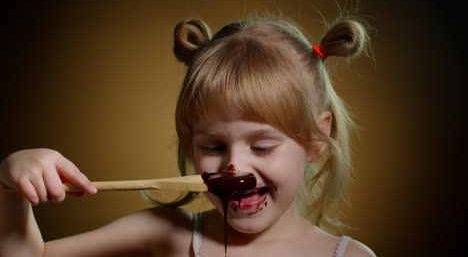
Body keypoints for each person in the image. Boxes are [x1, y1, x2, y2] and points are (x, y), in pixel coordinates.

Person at [0, 13, 376, 256]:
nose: (233, 165)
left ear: (315, 140)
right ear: (189, 143)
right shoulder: (167, 234)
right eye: (212, 145)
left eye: (261, 146)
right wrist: (10, 188)